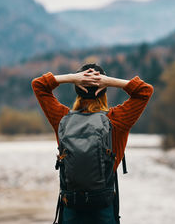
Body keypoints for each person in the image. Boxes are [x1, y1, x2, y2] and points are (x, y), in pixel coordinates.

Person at [31, 63, 154, 224]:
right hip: (103, 206)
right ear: (104, 89)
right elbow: (144, 91)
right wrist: (108, 81)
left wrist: (72, 78)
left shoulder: (62, 119)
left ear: (77, 89)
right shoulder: (116, 120)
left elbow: (38, 85)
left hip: (71, 206)